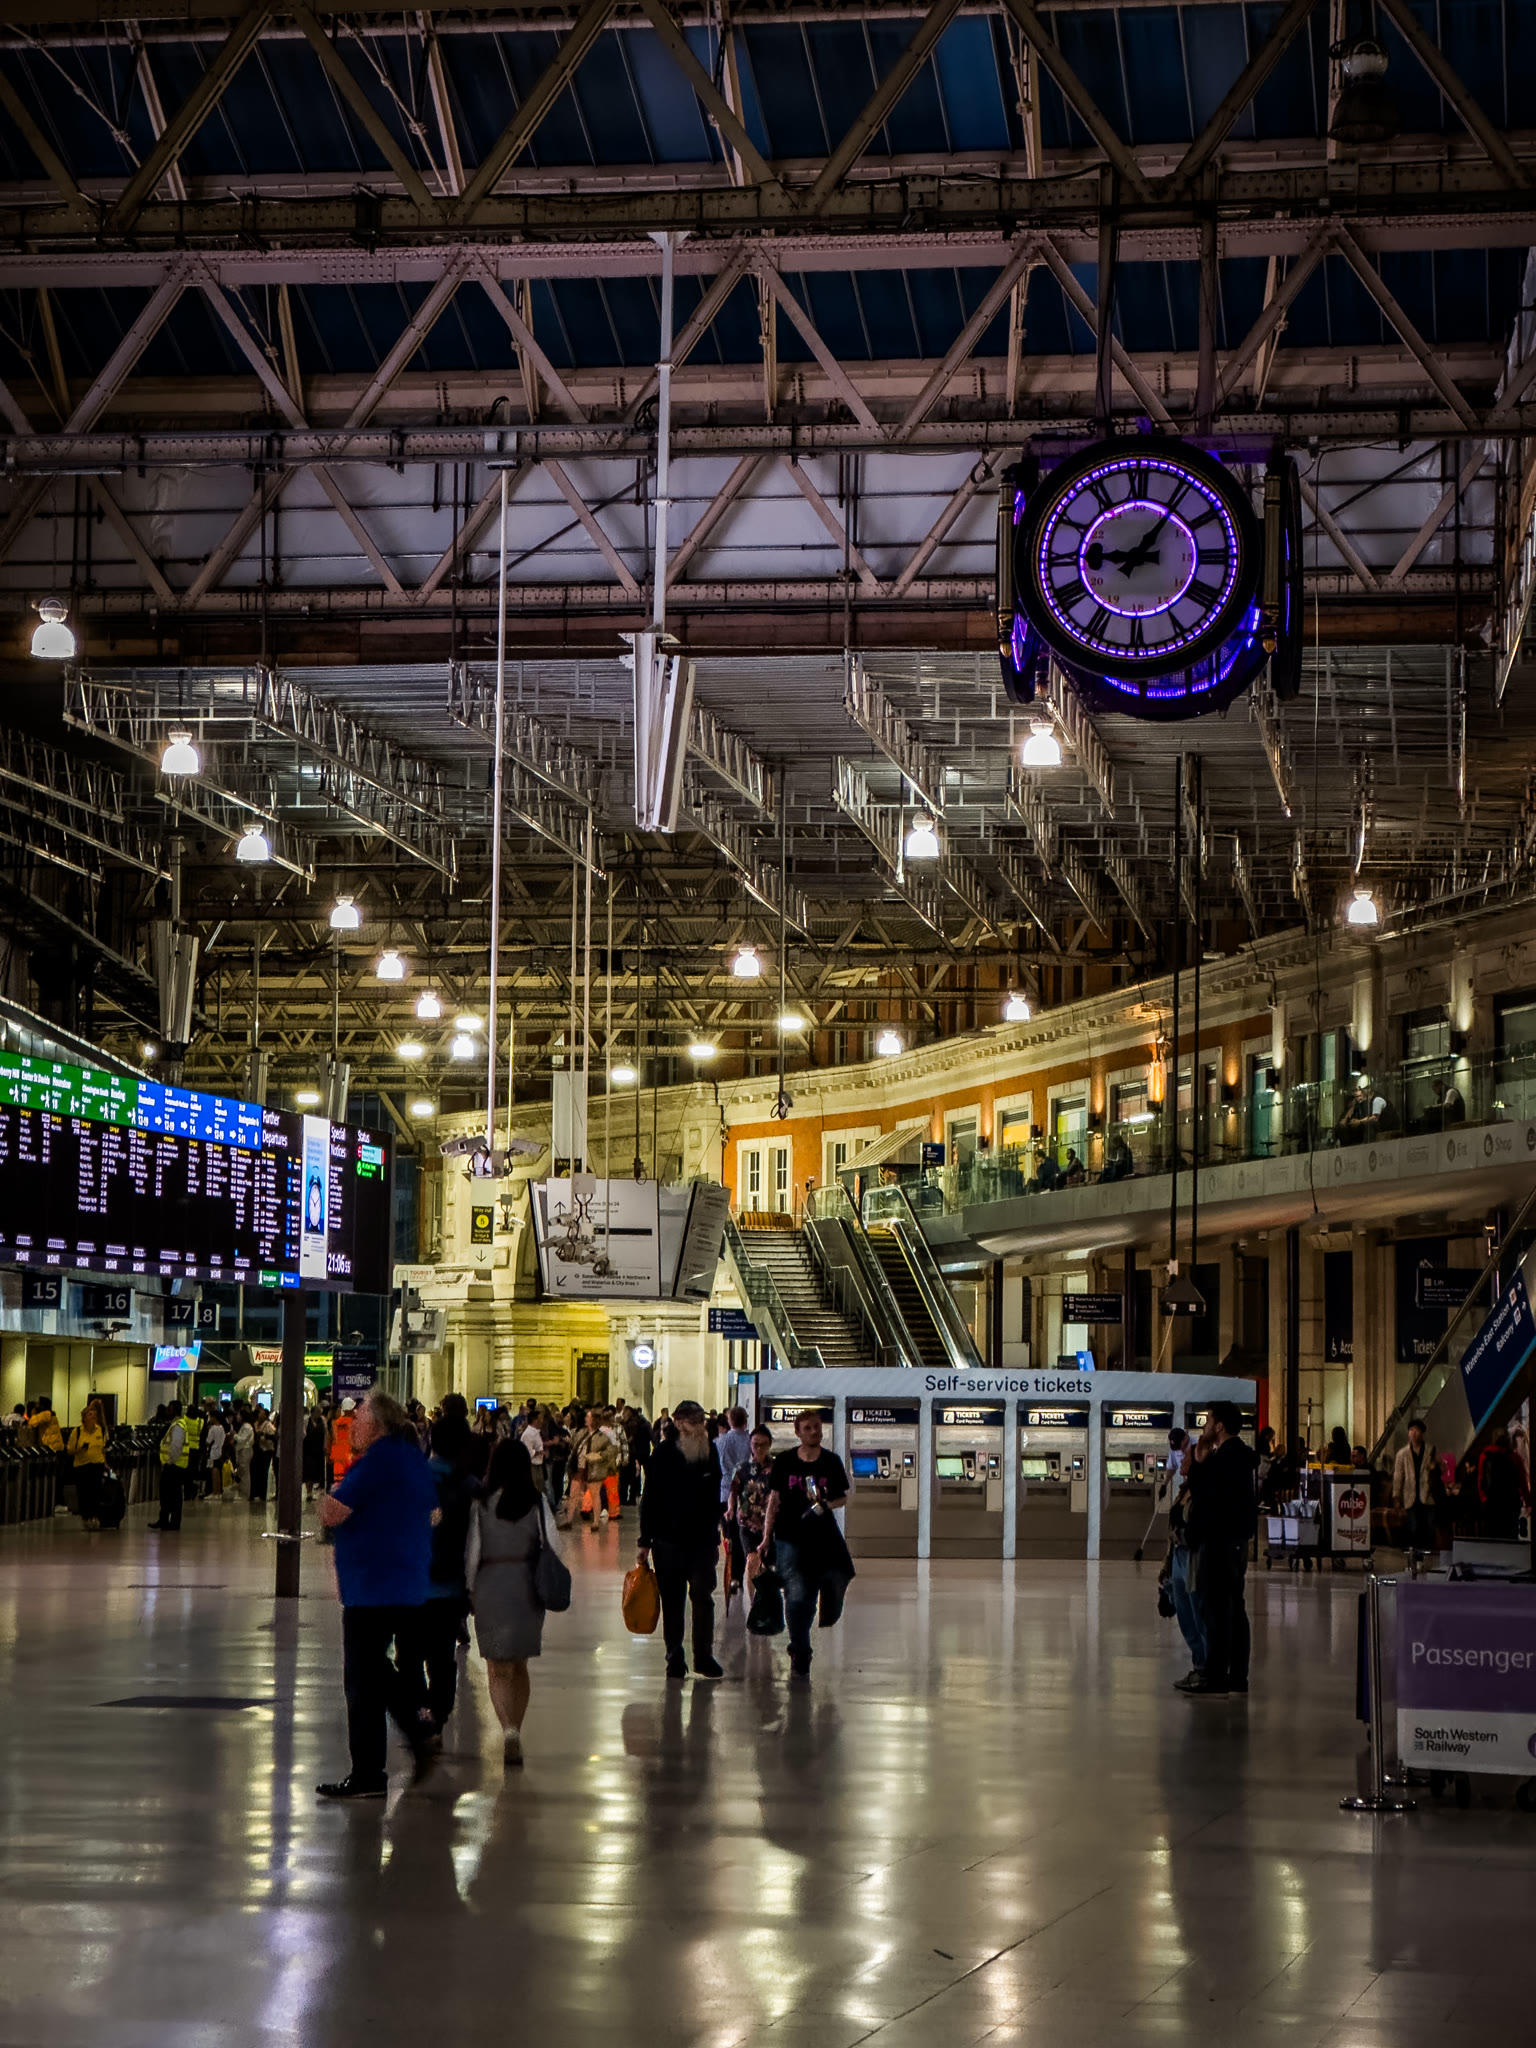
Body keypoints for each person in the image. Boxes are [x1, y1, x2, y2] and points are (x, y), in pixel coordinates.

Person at [316, 1389, 440, 1801]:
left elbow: (334, 1511)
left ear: (379, 1425)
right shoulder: (413, 1459)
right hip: (408, 1581)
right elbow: (434, 1513)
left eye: (360, 1418)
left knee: (364, 1674)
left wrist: (324, 1499)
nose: (353, 1425)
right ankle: (384, 1756)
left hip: (372, 1586)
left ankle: (397, 1744)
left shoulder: (376, 1463)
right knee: (375, 1669)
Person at [470, 1435, 557, 1766]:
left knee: (497, 1667)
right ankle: (516, 1728)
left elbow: (473, 1550)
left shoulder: (481, 1504)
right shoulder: (537, 1502)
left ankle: (506, 1728)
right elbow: (554, 1545)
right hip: (527, 1586)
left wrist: (469, 1590)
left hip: (490, 1585)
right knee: (520, 1665)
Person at [757, 1410, 853, 1683]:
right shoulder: (786, 1461)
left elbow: (842, 1498)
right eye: (808, 1428)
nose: (814, 1432)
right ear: (798, 1432)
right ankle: (800, 1649)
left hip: (822, 1538)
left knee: (820, 1589)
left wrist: (825, 1504)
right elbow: (774, 1501)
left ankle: (808, 1632)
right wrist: (766, 1537)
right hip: (789, 1537)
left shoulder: (831, 1462)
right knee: (797, 1595)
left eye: (817, 1427)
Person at [637, 1399, 724, 1681]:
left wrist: (718, 1529)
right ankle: (674, 1656)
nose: (699, 1427)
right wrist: (644, 1541)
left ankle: (703, 1656)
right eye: (693, 1421)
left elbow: (715, 1494)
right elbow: (649, 1499)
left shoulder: (709, 1451)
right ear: (678, 1423)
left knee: (703, 1597)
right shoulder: (663, 1454)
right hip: (668, 1541)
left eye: (701, 1422)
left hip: (702, 1541)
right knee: (673, 1602)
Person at [1179, 1402, 1257, 1697]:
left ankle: (1216, 1676)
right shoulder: (1235, 1456)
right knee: (1233, 1608)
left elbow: (1207, 1498)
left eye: (1208, 1420)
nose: (1205, 1426)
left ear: (1220, 1425)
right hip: (1233, 1541)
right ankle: (1235, 1675)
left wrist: (1199, 1464)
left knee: (1217, 1610)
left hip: (1221, 1542)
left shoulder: (1226, 1458)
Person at [417, 1415, 479, 1749]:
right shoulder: (470, 1486)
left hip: (413, 1583)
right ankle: (437, 1717)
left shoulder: (415, 1478)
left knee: (410, 1655)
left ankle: (419, 1713)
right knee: (442, 1657)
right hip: (451, 1585)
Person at [1160, 1436, 1207, 1683]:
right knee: (1184, 1614)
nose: (1181, 1459)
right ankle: (1198, 1663)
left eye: (1186, 1456)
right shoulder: (1183, 1490)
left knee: (1199, 1614)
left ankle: (1207, 1666)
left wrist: (1183, 1536)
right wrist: (1166, 1565)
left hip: (1193, 1559)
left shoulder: (1203, 1492)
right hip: (1177, 1558)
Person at [727, 1424, 775, 1588]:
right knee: (752, 1560)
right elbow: (733, 1492)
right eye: (755, 1444)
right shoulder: (742, 1468)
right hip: (747, 1523)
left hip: (769, 1524)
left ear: (769, 1445)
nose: (759, 1448)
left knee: (767, 1565)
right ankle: (753, 1598)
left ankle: (765, 1595)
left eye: (763, 1444)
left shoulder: (775, 1469)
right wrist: (731, 1508)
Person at [1392, 1418, 1439, 1566]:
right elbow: (1398, 1476)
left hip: (1428, 1495)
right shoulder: (1402, 1454)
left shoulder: (1430, 1450)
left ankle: (1424, 1555)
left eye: (1417, 1430)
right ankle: (1415, 1557)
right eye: (1411, 1430)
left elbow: (1441, 1470)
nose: (1413, 1433)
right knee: (1413, 1527)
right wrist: (1396, 1496)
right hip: (1410, 1495)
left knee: (1429, 1527)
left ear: (1422, 1433)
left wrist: (1435, 1467)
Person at [1477, 1427, 1530, 1540]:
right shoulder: (1514, 1457)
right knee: (1510, 1537)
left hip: (1491, 1504)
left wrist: (1484, 1499)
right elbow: (1522, 1482)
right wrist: (1528, 1501)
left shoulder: (1485, 1455)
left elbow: (1481, 1479)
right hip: (1511, 1504)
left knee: (1493, 1537)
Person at [148, 1402, 188, 1532]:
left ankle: (173, 1522)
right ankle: (164, 1520)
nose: (166, 1411)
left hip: (174, 1466)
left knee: (172, 1495)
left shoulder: (178, 1426)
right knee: (167, 1494)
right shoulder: (175, 1424)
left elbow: (176, 1446)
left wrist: (170, 1461)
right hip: (173, 1465)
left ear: (174, 1410)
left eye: (169, 1409)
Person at [68, 1400, 107, 1529]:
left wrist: (105, 1462)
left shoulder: (99, 1430)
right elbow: (69, 1450)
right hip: (82, 1466)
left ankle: (95, 1516)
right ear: (84, 1418)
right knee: (84, 1493)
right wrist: (80, 1449)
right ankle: (86, 1516)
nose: (93, 1417)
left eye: (95, 1415)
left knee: (96, 1491)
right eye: (90, 1415)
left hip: (97, 1465)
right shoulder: (77, 1432)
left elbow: (102, 1448)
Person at [715, 1405, 753, 1511]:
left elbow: (723, 1461)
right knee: (743, 1513)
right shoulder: (750, 1439)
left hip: (727, 1485)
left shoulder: (722, 1440)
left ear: (730, 1420)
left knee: (727, 1515)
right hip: (746, 1483)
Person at [329, 1399, 357, 1487]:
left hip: (337, 1455)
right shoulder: (354, 1423)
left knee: (338, 1481)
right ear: (350, 1409)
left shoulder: (335, 1423)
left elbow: (333, 1438)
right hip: (350, 1454)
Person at [251, 1409, 276, 1503]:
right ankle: (255, 1492)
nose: (259, 1416)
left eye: (261, 1414)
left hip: (266, 1451)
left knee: (263, 1472)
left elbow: (273, 1437)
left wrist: (264, 1436)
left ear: (265, 1415)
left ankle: (262, 1493)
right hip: (257, 1450)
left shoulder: (268, 1425)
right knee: (256, 1471)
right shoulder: (256, 1424)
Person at [302, 1407, 327, 1502]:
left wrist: (325, 1445)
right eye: (317, 1412)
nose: (318, 1414)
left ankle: (315, 1489)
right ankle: (309, 1492)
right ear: (312, 1413)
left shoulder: (322, 1421)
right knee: (308, 1471)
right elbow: (303, 1434)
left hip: (319, 1450)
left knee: (317, 1471)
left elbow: (326, 1433)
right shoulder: (306, 1421)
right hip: (308, 1450)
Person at [204, 1410, 227, 1499]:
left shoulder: (212, 1429)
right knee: (218, 1471)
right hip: (220, 1451)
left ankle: (214, 1492)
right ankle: (218, 1492)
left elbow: (208, 1441)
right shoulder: (221, 1428)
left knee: (213, 1471)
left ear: (214, 1418)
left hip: (212, 1452)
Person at [233, 1412, 255, 1500]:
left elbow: (242, 1439)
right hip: (243, 1450)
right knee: (242, 1472)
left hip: (245, 1450)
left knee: (244, 1473)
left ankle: (245, 1494)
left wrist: (234, 1435)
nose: (237, 1416)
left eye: (239, 1415)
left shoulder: (246, 1427)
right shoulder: (245, 1426)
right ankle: (242, 1492)